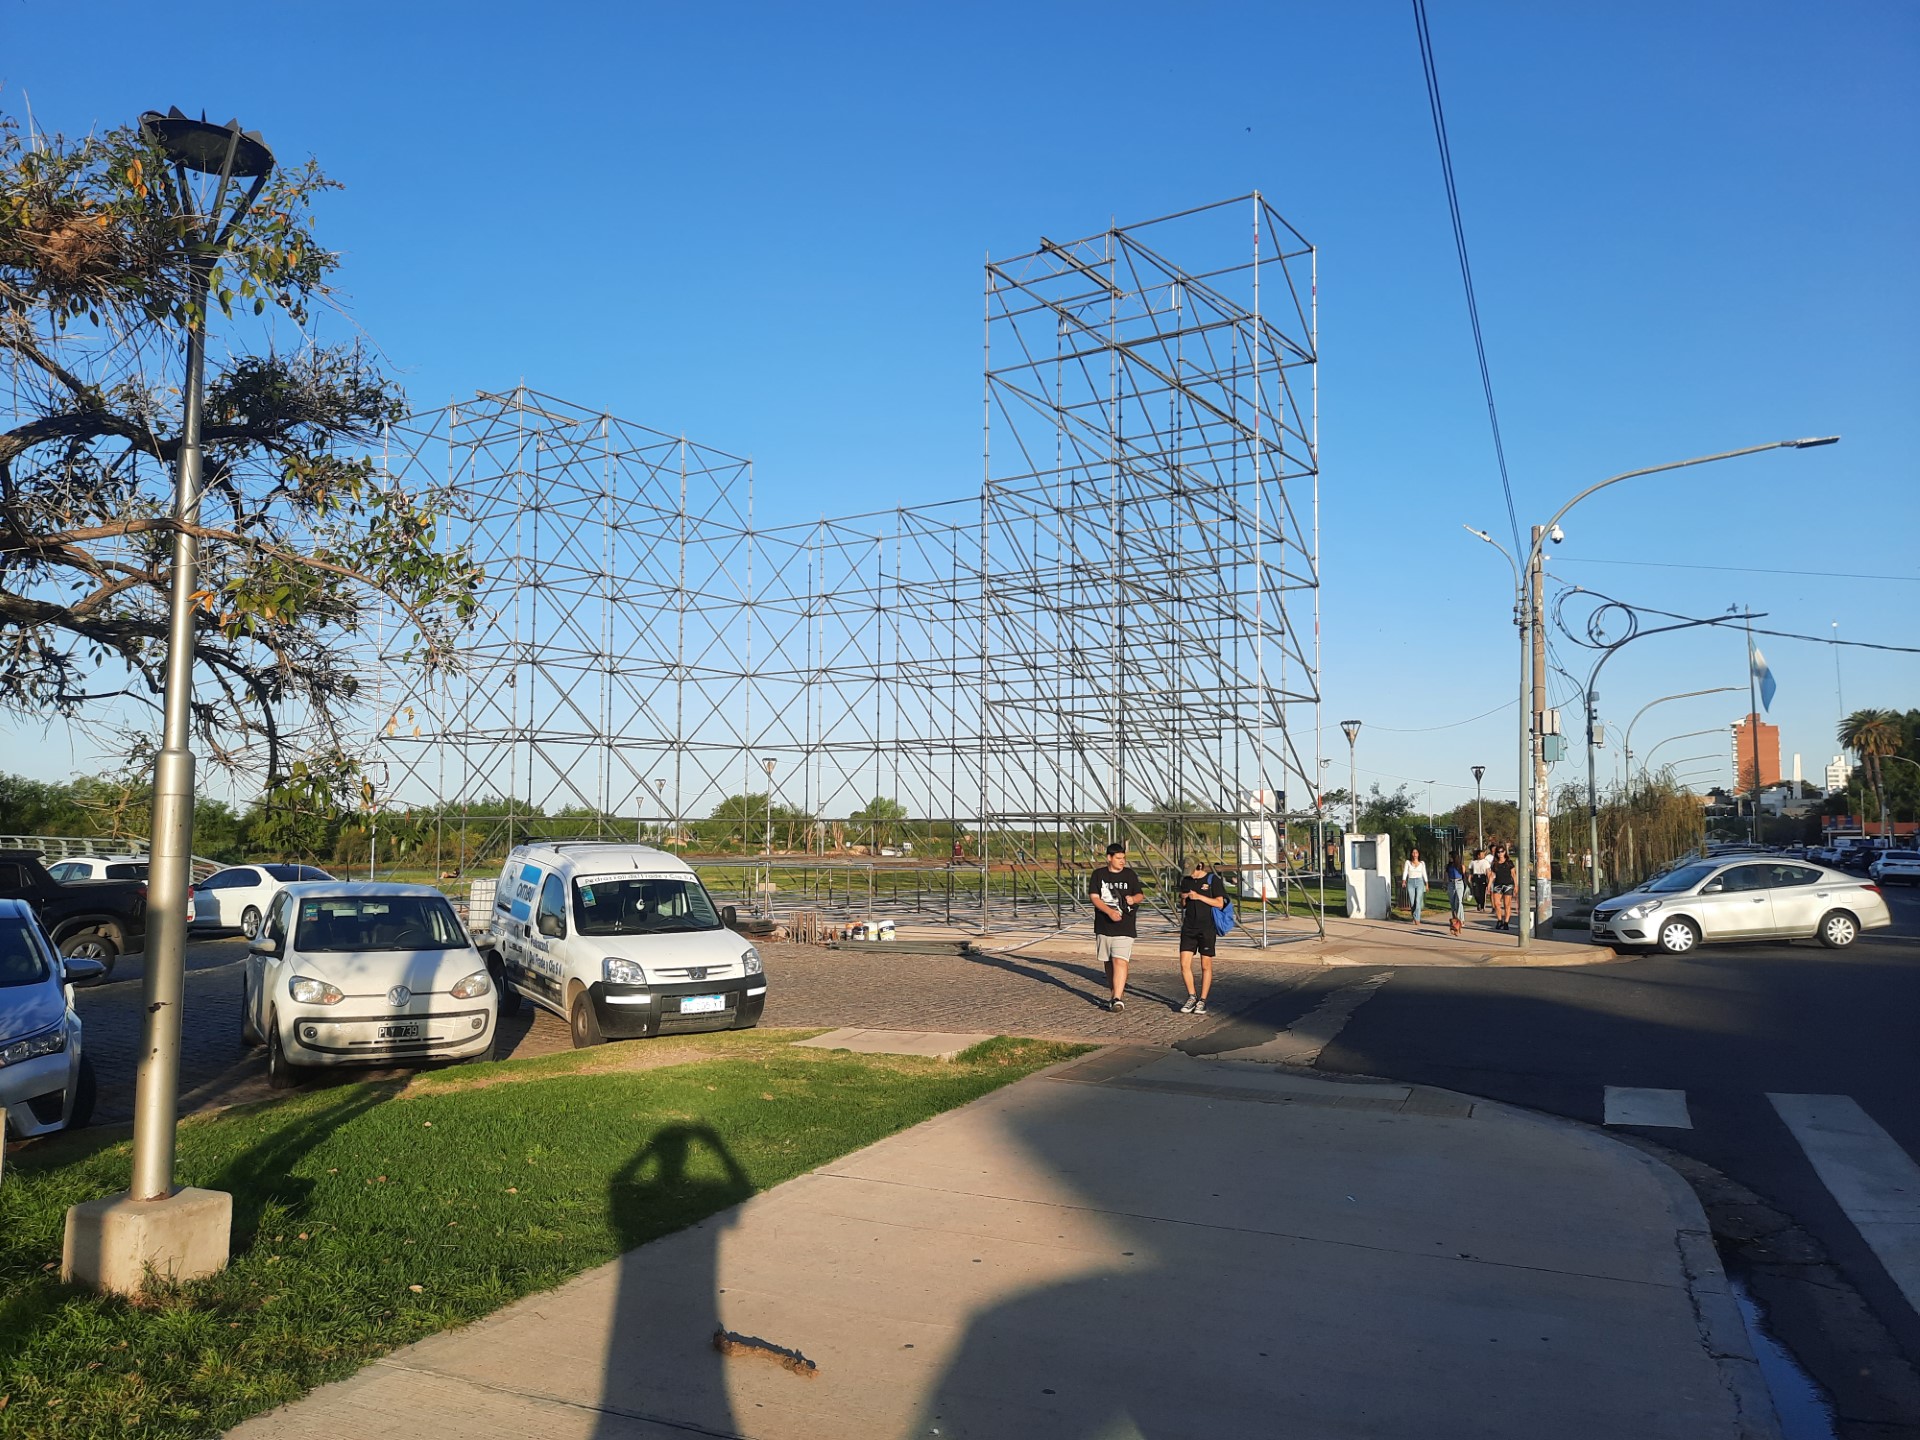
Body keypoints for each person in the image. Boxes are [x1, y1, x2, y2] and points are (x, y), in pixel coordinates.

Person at [1087, 842, 1144, 1011]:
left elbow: (1140, 894)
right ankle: (1113, 994)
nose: (1122, 861)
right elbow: (1095, 897)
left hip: (1125, 925)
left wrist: (1134, 899)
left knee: (1120, 960)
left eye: (1124, 858)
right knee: (1109, 961)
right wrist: (1109, 912)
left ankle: (1118, 998)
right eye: (1118, 858)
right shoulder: (1098, 875)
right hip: (1104, 926)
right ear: (1109, 858)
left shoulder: (1130, 875)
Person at [1175, 858, 1227, 1014]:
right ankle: (1191, 996)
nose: (1191, 875)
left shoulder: (1213, 881)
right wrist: (1184, 898)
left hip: (1207, 928)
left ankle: (1202, 999)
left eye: (1193, 871)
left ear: (1199, 866)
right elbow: (1182, 904)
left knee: (1206, 965)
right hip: (1189, 927)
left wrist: (1199, 896)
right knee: (1184, 964)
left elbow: (1219, 903)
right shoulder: (1186, 881)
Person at [1489, 843, 1516, 930]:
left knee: (1507, 904)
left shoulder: (1509, 863)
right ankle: (1499, 920)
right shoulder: (1495, 863)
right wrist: (1489, 885)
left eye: (1502, 852)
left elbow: (1513, 874)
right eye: (1498, 852)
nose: (1500, 854)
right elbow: (1492, 875)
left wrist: (1516, 885)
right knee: (1497, 904)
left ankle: (1506, 922)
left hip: (1508, 884)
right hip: (1498, 884)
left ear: (1505, 852)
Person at [1401, 847, 1428, 924]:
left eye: (1416, 853)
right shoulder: (1408, 862)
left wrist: (1426, 883)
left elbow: (1424, 873)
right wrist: (1404, 881)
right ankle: (1414, 916)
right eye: (1413, 853)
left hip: (1419, 882)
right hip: (1411, 882)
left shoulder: (1422, 863)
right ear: (1411, 854)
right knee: (1412, 902)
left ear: (1418, 854)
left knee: (1418, 900)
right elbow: (1405, 872)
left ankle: (1417, 919)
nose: (1415, 854)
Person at [1445, 852, 1468, 936]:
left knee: (1458, 901)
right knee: (1452, 903)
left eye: (1451, 857)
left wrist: (1466, 885)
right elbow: (1446, 875)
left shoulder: (1460, 866)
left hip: (1459, 883)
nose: (1449, 858)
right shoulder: (1448, 866)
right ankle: (1455, 919)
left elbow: (1464, 876)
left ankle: (1460, 920)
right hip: (1451, 883)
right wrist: (1445, 883)